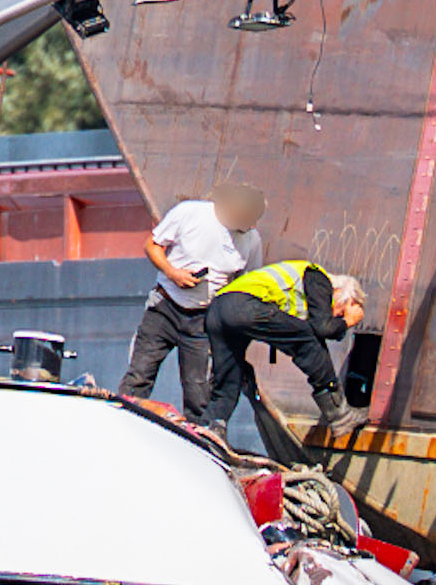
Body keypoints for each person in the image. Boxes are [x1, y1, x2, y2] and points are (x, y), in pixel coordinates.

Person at [117, 183, 266, 421]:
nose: (250, 227)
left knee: (198, 394)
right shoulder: (190, 214)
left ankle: (198, 441)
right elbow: (152, 245)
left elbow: (248, 283)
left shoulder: (251, 239)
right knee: (139, 376)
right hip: (165, 307)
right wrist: (173, 272)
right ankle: (123, 423)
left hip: (203, 321)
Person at [206, 260, 368, 441]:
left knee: (230, 373)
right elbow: (323, 328)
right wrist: (347, 322)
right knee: (308, 339)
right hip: (246, 306)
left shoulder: (304, 290)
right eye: (339, 312)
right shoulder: (318, 278)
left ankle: (214, 426)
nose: (335, 317)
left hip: (217, 310)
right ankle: (340, 415)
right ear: (341, 295)